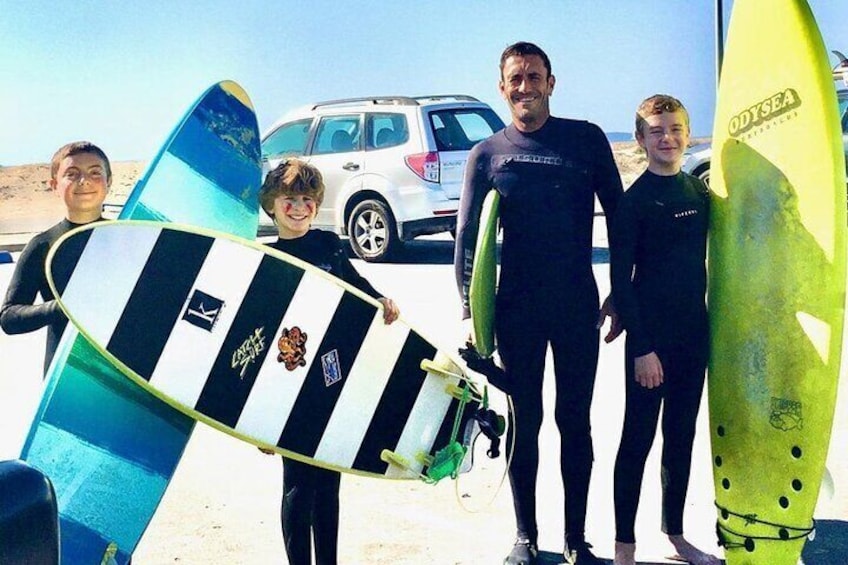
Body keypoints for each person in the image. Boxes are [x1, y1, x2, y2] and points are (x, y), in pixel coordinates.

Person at [454, 41, 623, 565]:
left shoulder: (587, 141)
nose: (524, 86)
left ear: (552, 82)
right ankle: (525, 537)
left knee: (576, 421)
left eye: (534, 76)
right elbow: (466, 243)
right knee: (524, 421)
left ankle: (576, 539)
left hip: (576, 306)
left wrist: (622, 289)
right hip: (516, 310)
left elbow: (619, 218)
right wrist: (468, 312)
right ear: (501, 88)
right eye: (515, 79)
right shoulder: (488, 154)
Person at [258, 159, 399, 565]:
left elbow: (357, 287)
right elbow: (261, 338)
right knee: (299, 485)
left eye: (307, 199)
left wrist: (382, 301)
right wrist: (260, 418)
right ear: (272, 205)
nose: (299, 207)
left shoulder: (328, 246)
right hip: (288, 387)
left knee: (329, 483)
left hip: (331, 378)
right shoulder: (266, 261)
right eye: (289, 199)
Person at [608, 95, 720, 565]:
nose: (667, 138)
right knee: (637, 439)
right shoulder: (633, 203)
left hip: (694, 337)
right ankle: (624, 548)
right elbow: (621, 279)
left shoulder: (700, 196)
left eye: (675, 129)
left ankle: (675, 535)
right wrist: (643, 348)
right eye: (656, 131)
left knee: (681, 437)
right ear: (640, 139)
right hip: (650, 344)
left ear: (688, 134)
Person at [0, 141, 111, 375]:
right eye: (72, 174)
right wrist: (61, 308)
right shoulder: (42, 245)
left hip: (128, 372)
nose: (84, 181)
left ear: (108, 182)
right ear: (54, 185)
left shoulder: (130, 236)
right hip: (66, 376)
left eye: (95, 172)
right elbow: (9, 318)